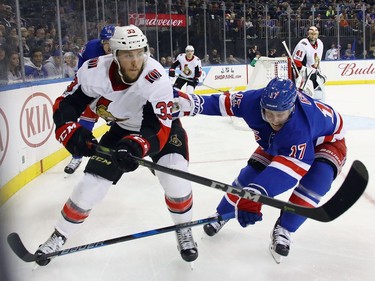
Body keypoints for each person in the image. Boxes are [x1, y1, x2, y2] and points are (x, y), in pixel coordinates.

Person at [35, 25, 198, 266]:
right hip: (122, 129)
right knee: (89, 186)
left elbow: (158, 128)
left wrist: (137, 146)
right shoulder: (93, 71)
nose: (135, 61)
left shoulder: (156, 77)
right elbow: (67, 104)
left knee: (175, 177)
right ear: (114, 54)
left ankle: (184, 228)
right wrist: (71, 132)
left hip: (160, 129)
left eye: (140, 53)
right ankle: (59, 235)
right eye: (127, 55)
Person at [174, 77, 346, 263]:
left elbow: (287, 172)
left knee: (318, 180)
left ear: (292, 107)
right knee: (249, 175)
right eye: (268, 113)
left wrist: (255, 194)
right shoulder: (252, 101)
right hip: (281, 140)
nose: (274, 120)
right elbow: (221, 103)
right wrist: (191, 103)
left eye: (280, 114)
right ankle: (222, 214)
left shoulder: (301, 124)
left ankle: (285, 228)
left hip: (327, 140)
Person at [64, 25, 115, 174]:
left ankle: (150, 154)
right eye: (106, 42)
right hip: (94, 89)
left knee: (130, 123)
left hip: (116, 91)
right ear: (101, 42)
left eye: (112, 42)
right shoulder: (91, 48)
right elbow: (81, 70)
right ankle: (76, 157)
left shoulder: (122, 49)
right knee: (85, 123)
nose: (109, 46)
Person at [291, 26, 327, 101]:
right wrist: (303, 74)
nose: (313, 35)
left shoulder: (320, 43)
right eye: (311, 33)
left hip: (313, 71)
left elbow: (317, 60)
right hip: (303, 72)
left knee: (322, 79)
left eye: (315, 33)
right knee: (307, 92)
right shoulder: (303, 44)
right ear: (308, 34)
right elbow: (296, 62)